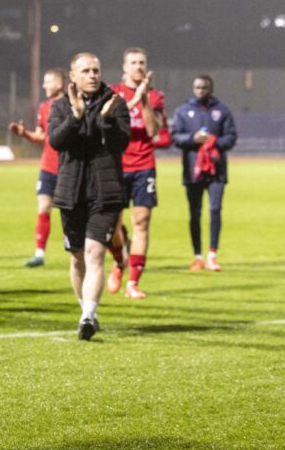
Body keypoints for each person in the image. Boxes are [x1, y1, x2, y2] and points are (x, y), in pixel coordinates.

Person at [48, 53, 130, 341]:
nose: (93, 75)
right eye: (86, 70)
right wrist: (77, 116)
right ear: (73, 76)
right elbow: (56, 141)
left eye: (96, 69)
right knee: (77, 257)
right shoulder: (60, 106)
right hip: (70, 194)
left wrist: (107, 120)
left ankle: (87, 316)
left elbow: (122, 143)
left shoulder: (115, 103)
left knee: (96, 253)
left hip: (105, 193)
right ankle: (86, 309)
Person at [104, 48, 165, 299]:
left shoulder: (156, 96)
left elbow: (152, 130)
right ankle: (120, 261)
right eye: (133, 63)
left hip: (143, 166)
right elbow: (108, 118)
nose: (138, 66)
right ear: (124, 67)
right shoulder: (113, 92)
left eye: (142, 62)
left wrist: (145, 99)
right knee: (111, 226)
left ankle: (133, 283)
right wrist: (134, 97)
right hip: (117, 164)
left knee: (141, 222)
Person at [172, 75, 237, 271]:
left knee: (215, 209)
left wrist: (213, 141)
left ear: (211, 89)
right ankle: (197, 256)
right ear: (193, 88)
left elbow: (231, 137)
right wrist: (193, 138)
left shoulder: (221, 110)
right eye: (198, 87)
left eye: (204, 88)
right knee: (195, 212)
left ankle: (212, 255)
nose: (201, 91)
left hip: (216, 170)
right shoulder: (183, 111)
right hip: (193, 170)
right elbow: (175, 137)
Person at [10, 67, 67, 267]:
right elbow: (41, 136)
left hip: (68, 168)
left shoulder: (71, 104)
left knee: (70, 212)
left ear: (60, 84)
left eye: (48, 81)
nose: (44, 85)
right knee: (43, 207)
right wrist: (24, 133)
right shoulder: (44, 107)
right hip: (48, 167)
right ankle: (39, 253)